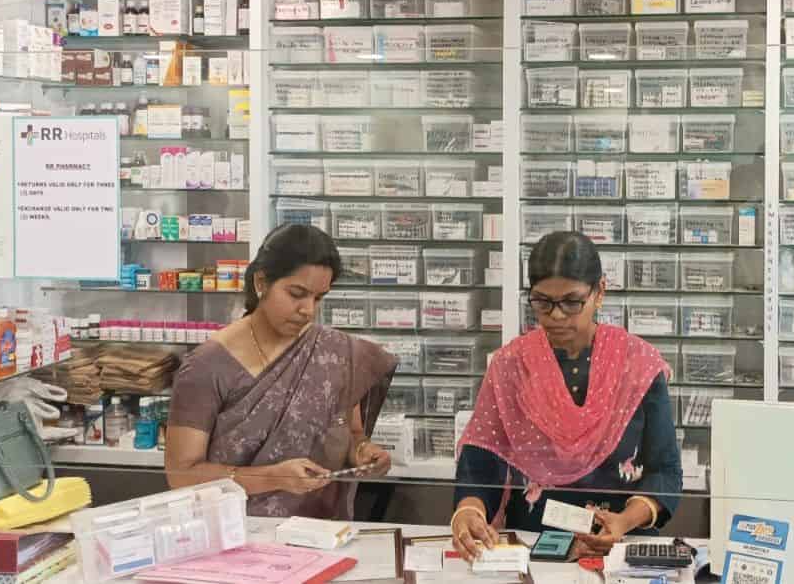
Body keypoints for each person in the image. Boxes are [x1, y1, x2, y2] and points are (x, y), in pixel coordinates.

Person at [450, 232, 681, 560]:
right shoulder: (512, 366)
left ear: (599, 292)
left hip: (618, 544)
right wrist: (468, 513)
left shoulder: (637, 365)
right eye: (542, 302)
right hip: (534, 541)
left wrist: (625, 521)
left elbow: (664, 469)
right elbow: (481, 463)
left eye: (572, 302)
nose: (556, 316)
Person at [165, 224, 396, 518]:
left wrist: (364, 452)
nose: (308, 310)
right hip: (237, 530)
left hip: (319, 531)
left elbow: (350, 433)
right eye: (296, 294)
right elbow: (182, 474)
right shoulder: (207, 366)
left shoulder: (333, 353)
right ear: (261, 282)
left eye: (318, 298)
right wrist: (273, 477)